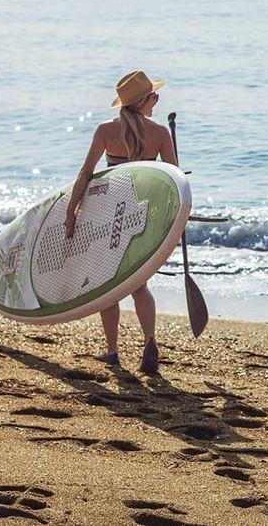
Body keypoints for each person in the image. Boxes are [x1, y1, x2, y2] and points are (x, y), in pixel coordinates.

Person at [64, 70, 177, 374]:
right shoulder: (160, 134)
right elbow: (174, 184)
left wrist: (71, 210)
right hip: (142, 216)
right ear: (144, 101)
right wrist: (174, 221)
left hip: (108, 214)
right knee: (138, 282)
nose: (157, 100)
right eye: (154, 96)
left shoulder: (105, 130)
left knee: (106, 283)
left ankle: (113, 351)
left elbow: (85, 173)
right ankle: (150, 340)